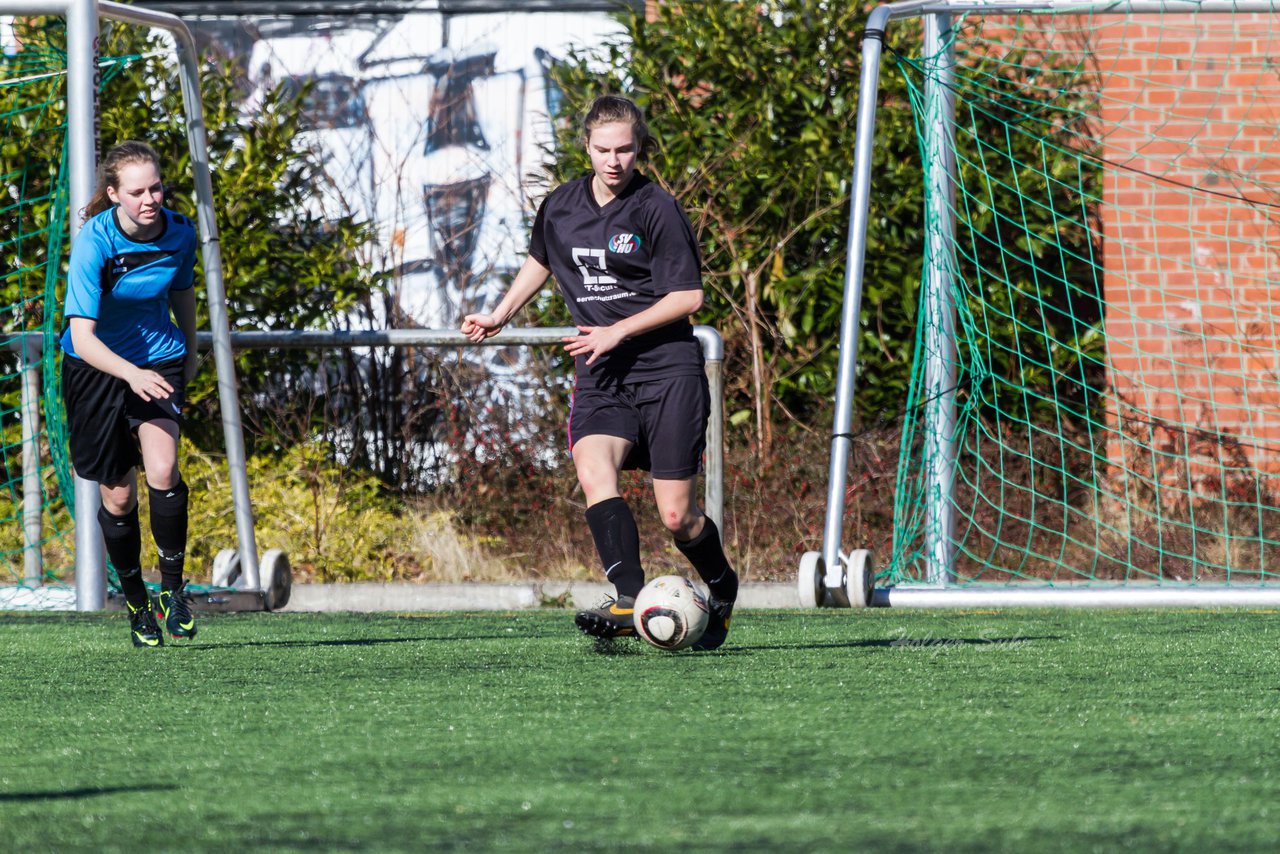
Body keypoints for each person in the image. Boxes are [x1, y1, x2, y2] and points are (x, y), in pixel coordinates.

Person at [462, 95, 738, 650]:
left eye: (626, 149)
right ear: (586, 146)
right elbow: (542, 259)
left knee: (677, 515)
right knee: (594, 472)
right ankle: (630, 597)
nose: (615, 161)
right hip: (602, 373)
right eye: (604, 149)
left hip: (667, 372)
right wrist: (498, 314)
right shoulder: (561, 205)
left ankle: (722, 583)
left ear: (640, 149)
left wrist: (619, 329)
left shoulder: (656, 207)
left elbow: (688, 297)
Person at [60, 140, 199, 648]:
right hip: (95, 367)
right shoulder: (95, 243)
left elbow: (182, 291)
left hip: (159, 358)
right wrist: (130, 375)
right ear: (114, 194)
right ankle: (137, 602)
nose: (149, 199)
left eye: (156, 187)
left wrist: (192, 348)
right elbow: (81, 337)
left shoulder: (181, 233)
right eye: (137, 191)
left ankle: (175, 592)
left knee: (163, 470)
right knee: (118, 498)